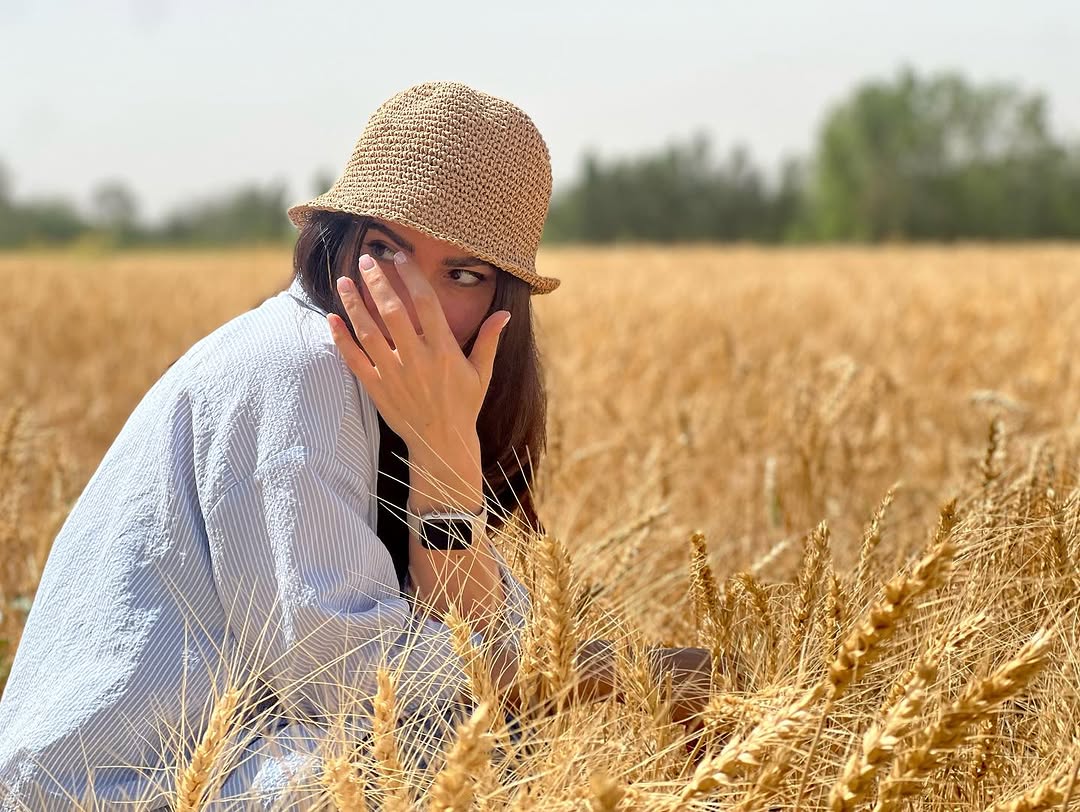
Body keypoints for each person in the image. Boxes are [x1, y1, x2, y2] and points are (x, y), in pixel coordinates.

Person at [0, 81, 711, 810]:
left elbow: (481, 672)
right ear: (337, 241)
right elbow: (350, 686)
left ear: (504, 305)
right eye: (385, 251)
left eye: (463, 273)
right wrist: (618, 669)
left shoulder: (391, 404)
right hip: (107, 793)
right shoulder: (296, 367)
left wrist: (445, 455)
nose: (417, 299)